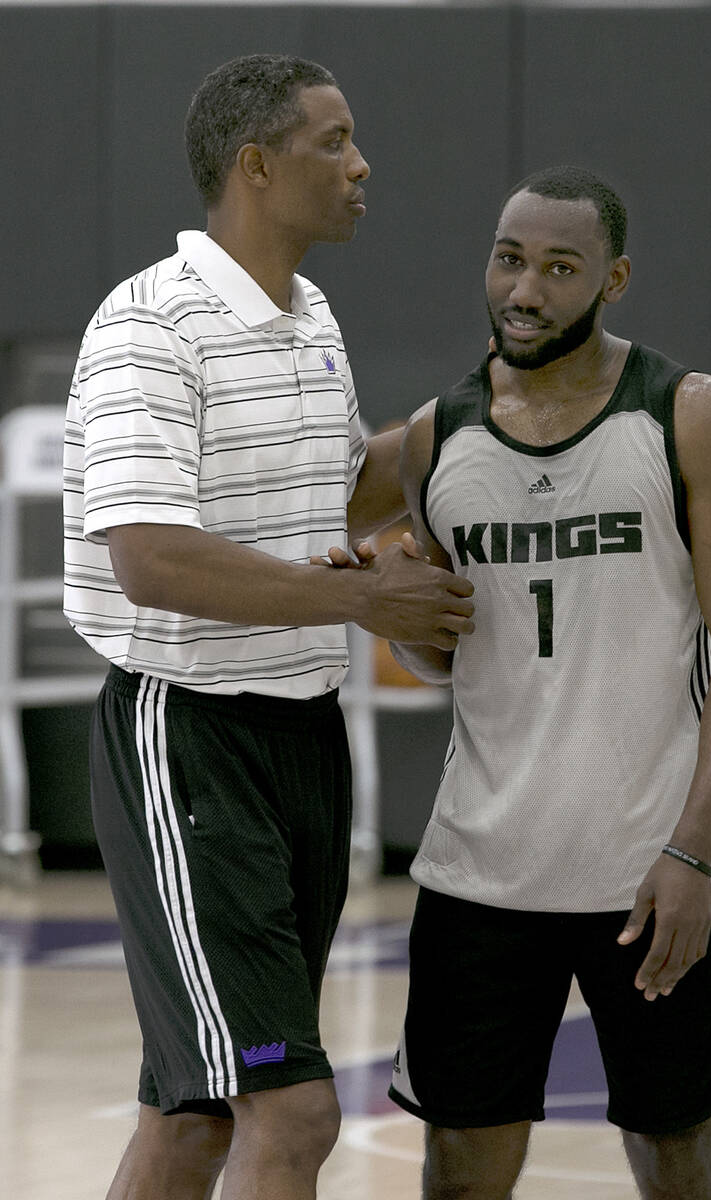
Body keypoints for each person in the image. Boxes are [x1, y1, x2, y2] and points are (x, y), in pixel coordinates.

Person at [62, 54, 474, 1200]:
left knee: (190, 1117)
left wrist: (487, 413)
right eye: (332, 141)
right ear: (256, 166)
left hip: (302, 735)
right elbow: (151, 561)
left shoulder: (310, 317)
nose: (360, 165)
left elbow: (330, 503)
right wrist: (364, 600)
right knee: (287, 1114)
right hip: (187, 739)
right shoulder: (151, 326)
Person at [380, 165, 711, 1199]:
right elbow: (442, 651)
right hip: (479, 871)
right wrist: (397, 605)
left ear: (612, 281)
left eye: (559, 268)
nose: (524, 289)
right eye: (509, 260)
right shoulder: (436, 436)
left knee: (676, 1163)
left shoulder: (688, 414)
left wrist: (694, 850)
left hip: (648, 870)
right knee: (460, 1172)